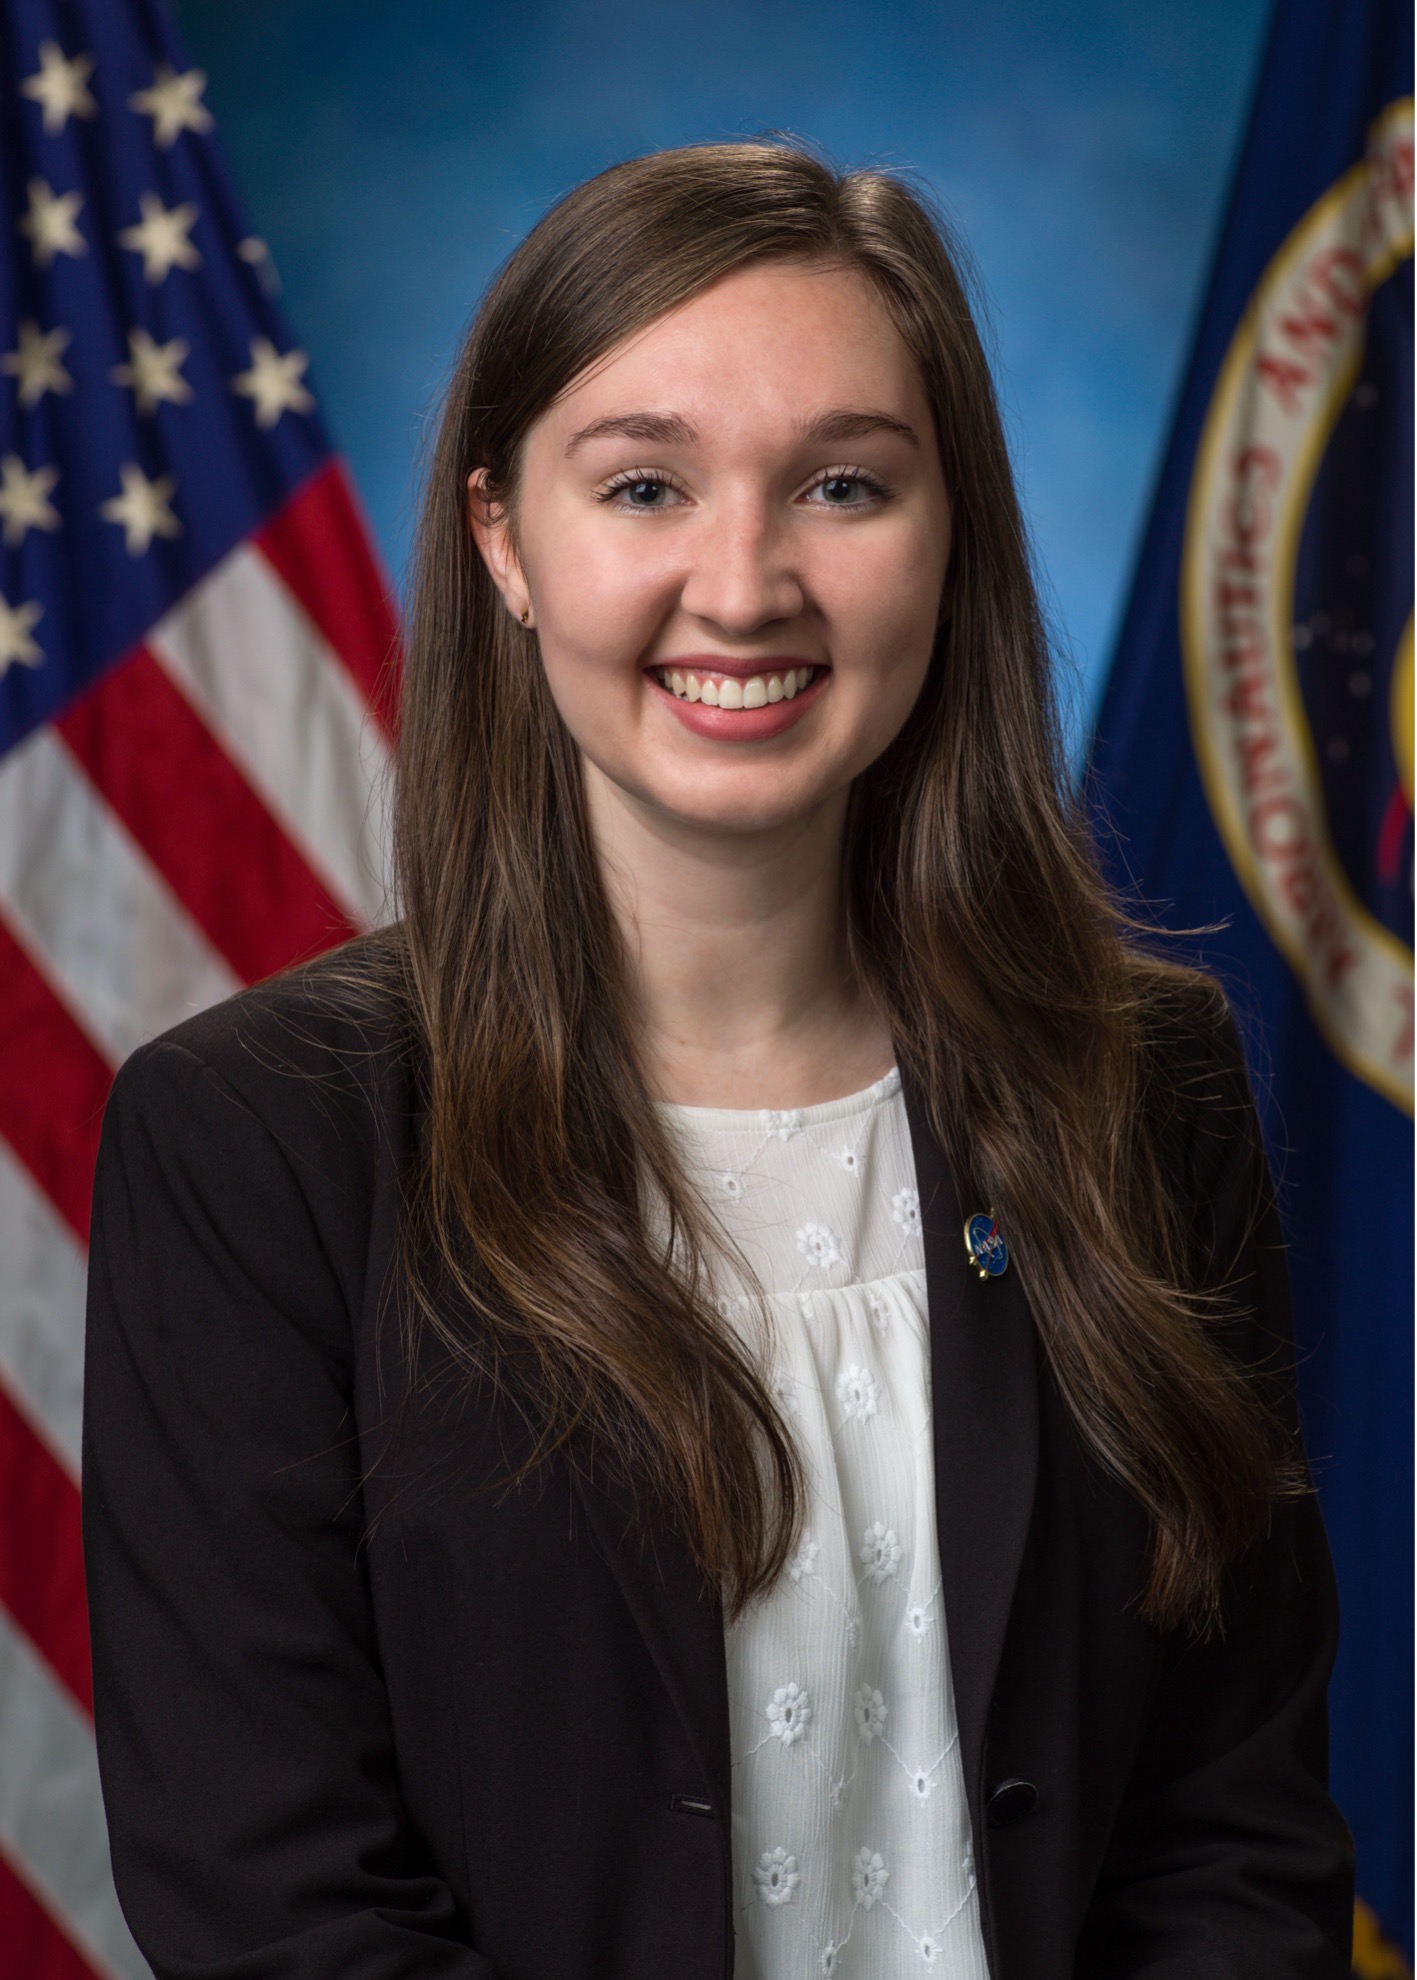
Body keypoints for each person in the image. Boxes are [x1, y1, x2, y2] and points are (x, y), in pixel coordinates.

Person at [82, 141, 1353, 1980]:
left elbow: (1233, 1832)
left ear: (950, 537)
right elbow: (275, 1904)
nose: (743, 584)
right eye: (646, 487)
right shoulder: (256, 1144)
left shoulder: (1145, 1086)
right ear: (506, 538)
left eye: (843, 483)